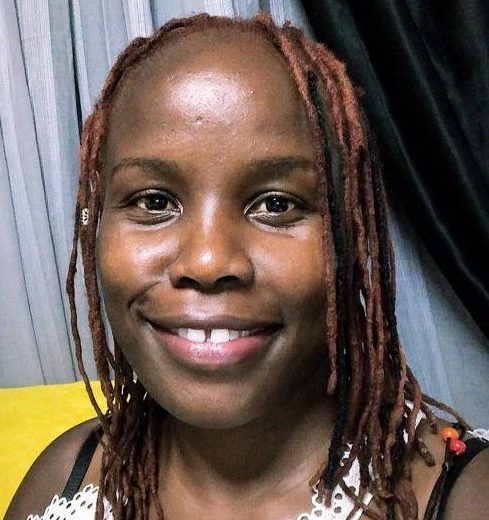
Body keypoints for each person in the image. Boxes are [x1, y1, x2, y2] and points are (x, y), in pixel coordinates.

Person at [6, 13, 489, 520]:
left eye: (276, 205)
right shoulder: (65, 478)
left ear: (353, 236)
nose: (209, 261)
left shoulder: (463, 498)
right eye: (153, 201)